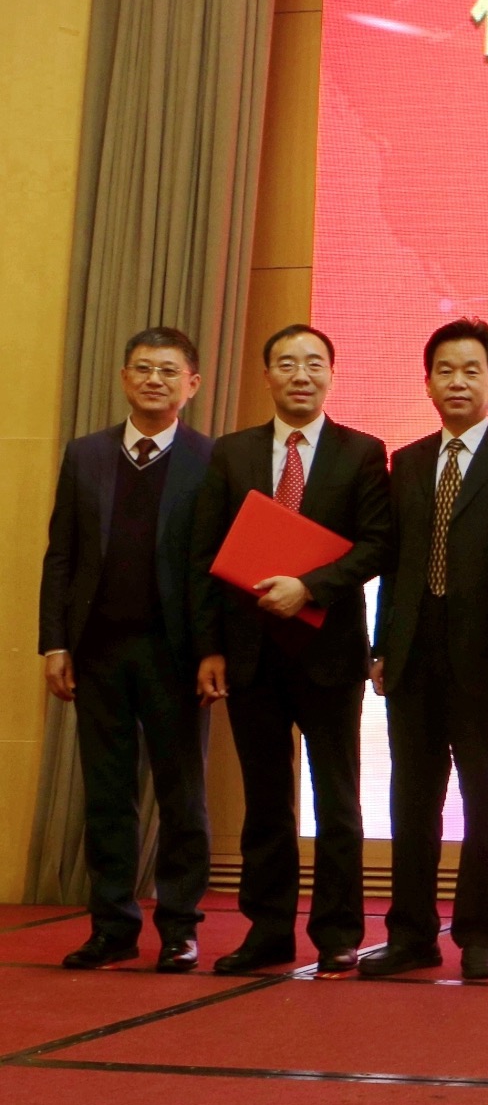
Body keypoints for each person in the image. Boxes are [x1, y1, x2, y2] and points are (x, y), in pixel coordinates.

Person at [191, 324, 393, 974]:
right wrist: (210, 648)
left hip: (330, 653)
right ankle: (268, 930)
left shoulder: (362, 452)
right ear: (268, 375)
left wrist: (309, 587)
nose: (300, 375)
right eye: (286, 363)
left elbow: (376, 545)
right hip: (250, 654)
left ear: (331, 374)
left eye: (313, 363)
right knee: (266, 802)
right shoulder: (232, 453)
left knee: (338, 801)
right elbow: (205, 553)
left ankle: (338, 933)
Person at [360, 319, 488, 981]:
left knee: (487, 799)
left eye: (471, 371)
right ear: (428, 383)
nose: (458, 382)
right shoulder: (407, 461)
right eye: (445, 370)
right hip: (413, 655)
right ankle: (410, 934)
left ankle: (481, 936)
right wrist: (382, 645)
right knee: (412, 800)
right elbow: (396, 565)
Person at [41, 327, 216, 972]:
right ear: (123, 378)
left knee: (182, 795)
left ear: (191, 385)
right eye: (142, 368)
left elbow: (217, 566)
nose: (153, 380)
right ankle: (112, 927)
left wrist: (213, 650)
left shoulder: (211, 459)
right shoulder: (85, 453)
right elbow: (61, 554)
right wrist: (54, 642)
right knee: (107, 794)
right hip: (98, 650)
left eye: (168, 371)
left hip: (177, 654)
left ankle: (180, 928)